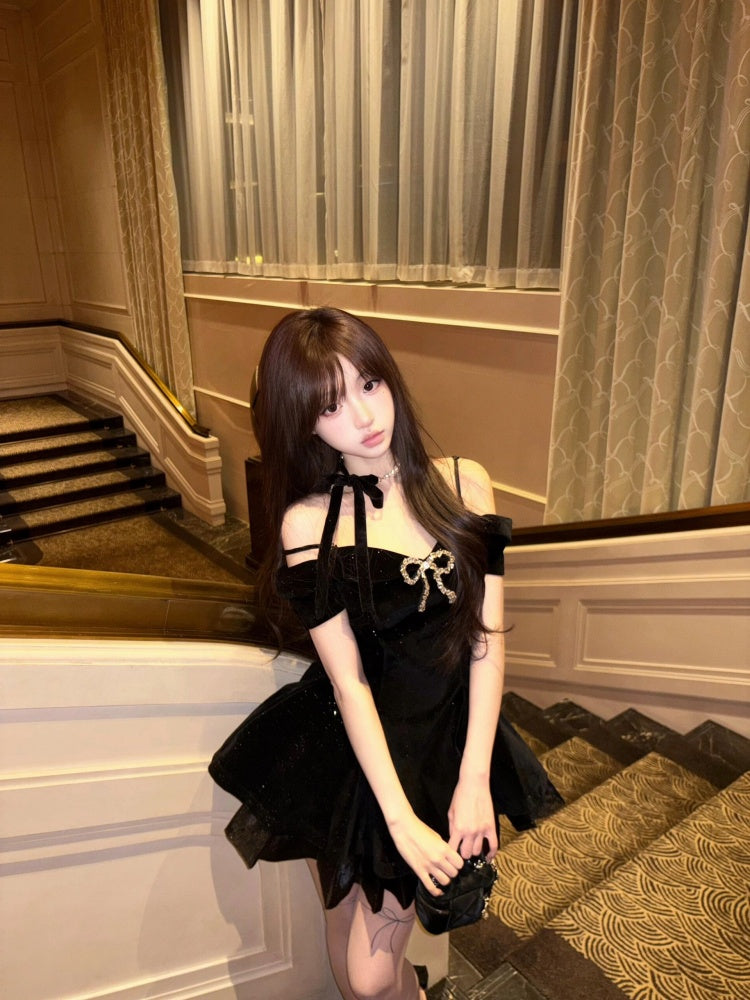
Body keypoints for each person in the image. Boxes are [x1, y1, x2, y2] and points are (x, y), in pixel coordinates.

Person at [209, 307, 561, 1000]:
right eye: (331, 405)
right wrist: (398, 821)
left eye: (368, 384)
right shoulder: (308, 523)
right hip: (348, 744)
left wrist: (474, 781)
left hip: (436, 744)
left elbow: (485, 643)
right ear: (305, 423)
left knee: (372, 976)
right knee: (344, 923)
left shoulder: (465, 482)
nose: (364, 416)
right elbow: (349, 684)